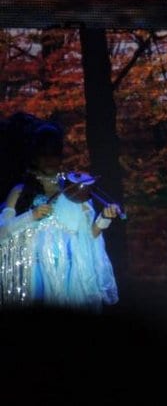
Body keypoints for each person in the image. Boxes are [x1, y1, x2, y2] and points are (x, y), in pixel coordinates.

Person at [0, 112, 119, 312]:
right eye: (43, 153)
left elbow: (88, 236)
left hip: (72, 276)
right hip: (36, 276)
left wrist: (104, 219)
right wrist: (30, 216)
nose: (49, 159)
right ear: (34, 156)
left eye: (54, 153)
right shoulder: (20, 192)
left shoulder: (75, 189)